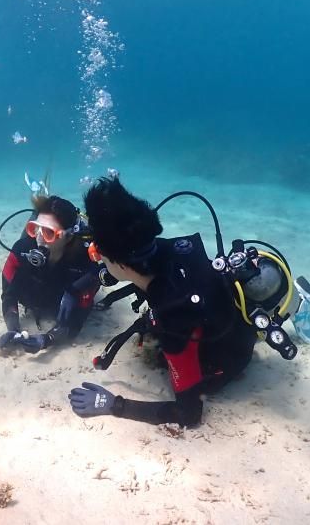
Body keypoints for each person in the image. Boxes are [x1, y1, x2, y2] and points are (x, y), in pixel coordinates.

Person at [68, 177, 263, 427]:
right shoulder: (161, 247)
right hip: (229, 321)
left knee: (165, 357)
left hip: (225, 360)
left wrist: (114, 405)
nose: (97, 261)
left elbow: (189, 414)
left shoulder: (173, 317)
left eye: (97, 254)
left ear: (121, 264)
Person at [0, 195, 101, 353]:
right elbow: (8, 295)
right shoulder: (21, 250)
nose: (38, 237)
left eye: (48, 232)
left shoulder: (85, 265)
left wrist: (47, 339)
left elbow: (77, 318)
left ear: (69, 236)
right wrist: (13, 330)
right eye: (35, 228)